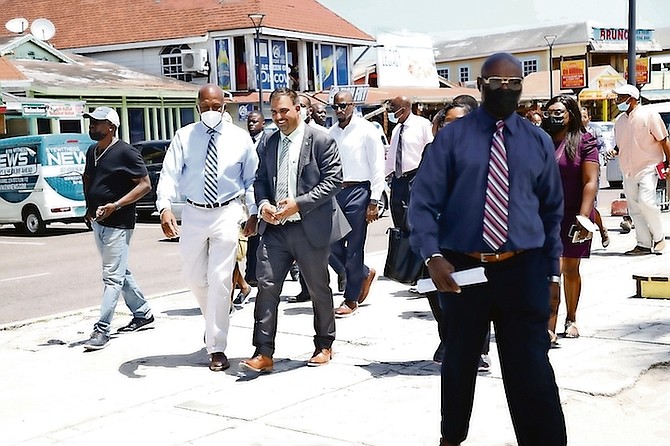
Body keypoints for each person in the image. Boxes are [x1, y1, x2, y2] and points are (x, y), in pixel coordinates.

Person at [408, 53, 566, 446]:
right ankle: (452, 436)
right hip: (464, 269)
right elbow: (423, 204)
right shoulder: (452, 139)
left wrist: (551, 272)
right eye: (496, 82)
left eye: (514, 83)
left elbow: (551, 211)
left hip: (522, 268)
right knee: (459, 362)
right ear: (480, 86)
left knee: (530, 365)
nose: (506, 89)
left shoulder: (537, 141)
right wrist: (432, 257)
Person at [240, 87, 347, 373]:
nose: (278, 117)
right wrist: (262, 203)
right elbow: (260, 179)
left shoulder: (321, 141)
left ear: (299, 109)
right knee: (266, 287)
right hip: (275, 229)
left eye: (284, 111)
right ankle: (263, 352)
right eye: (273, 112)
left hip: (309, 227)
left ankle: (324, 343)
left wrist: (297, 205)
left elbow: (334, 181)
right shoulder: (268, 142)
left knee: (317, 288)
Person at [156, 84, 259, 372]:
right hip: (194, 212)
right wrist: (164, 206)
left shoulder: (240, 138)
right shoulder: (184, 136)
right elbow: (169, 173)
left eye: (217, 106)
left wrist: (252, 212)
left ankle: (217, 347)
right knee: (192, 276)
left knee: (220, 278)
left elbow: (251, 180)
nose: (211, 111)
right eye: (206, 106)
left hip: (227, 211)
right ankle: (216, 313)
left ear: (224, 106)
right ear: (197, 106)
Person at [82, 107, 154, 351]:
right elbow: (87, 178)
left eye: (97, 123)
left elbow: (145, 185)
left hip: (119, 223)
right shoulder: (93, 151)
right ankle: (143, 313)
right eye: (91, 123)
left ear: (111, 127)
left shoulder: (126, 152)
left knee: (112, 277)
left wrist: (116, 205)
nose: (92, 127)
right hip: (98, 221)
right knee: (120, 271)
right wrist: (88, 207)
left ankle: (102, 329)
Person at [543, 95, 599, 343]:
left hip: (575, 213)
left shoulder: (585, 141)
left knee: (570, 269)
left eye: (559, 112)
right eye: (550, 112)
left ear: (571, 115)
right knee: (550, 269)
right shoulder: (540, 140)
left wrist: (584, 217)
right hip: (544, 214)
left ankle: (571, 318)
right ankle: (549, 325)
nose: (553, 117)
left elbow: (591, 181)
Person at [328, 90, 385, 317]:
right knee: (329, 245)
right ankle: (362, 273)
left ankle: (350, 299)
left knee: (353, 247)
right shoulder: (331, 133)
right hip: (335, 192)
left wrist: (374, 200)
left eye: (344, 105)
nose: (340, 110)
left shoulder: (367, 131)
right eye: (336, 107)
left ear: (353, 105)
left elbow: (378, 167)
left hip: (359, 191)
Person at [610, 84, 670, 255]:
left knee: (646, 201)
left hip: (649, 166)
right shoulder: (620, 121)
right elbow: (621, 144)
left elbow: (664, 140)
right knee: (634, 208)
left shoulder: (649, 115)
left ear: (633, 99)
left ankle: (659, 238)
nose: (618, 101)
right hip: (628, 169)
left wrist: (669, 164)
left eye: (621, 97)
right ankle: (643, 243)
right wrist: (614, 151)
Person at [385, 96, 433, 231]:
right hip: (398, 179)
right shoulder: (396, 130)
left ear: (404, 109)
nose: (391, 113)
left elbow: (430, 150)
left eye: (393, 109)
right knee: (398, 218)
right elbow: (391, 159)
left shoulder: (422, 125)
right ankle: (402, 249)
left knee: (414, 221)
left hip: (415, 177)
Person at [580, 106, 610, 248]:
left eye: (584, 116)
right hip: (575, 174)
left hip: (591, 172)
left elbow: (602, 148)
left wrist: (598, 164)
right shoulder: (568, 133)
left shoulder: (594, 132)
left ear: (589, 119)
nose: (581, 119)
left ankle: (600, 230)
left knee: (590, 205)